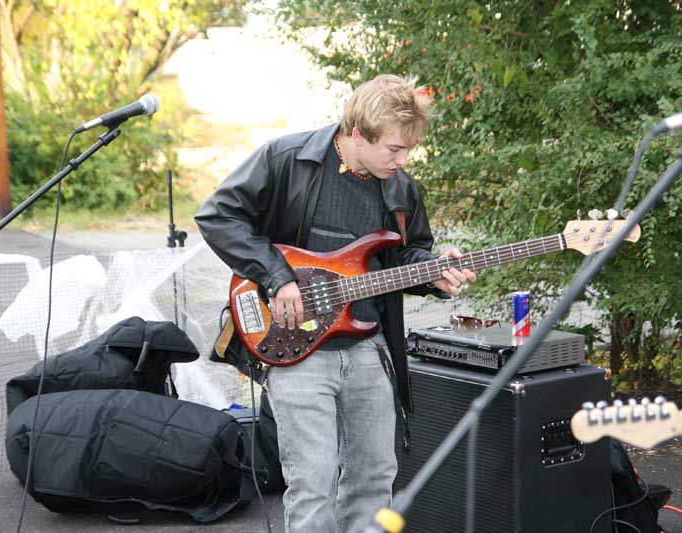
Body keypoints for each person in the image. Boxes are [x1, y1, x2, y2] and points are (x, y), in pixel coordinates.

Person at [195, 74, 476, 533]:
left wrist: (434, 270)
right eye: (394, 149)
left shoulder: (400, 188)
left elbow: (405, 255)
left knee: (375, 476)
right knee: (314, 481)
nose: (403, 161)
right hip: (297, 349)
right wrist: (277, 277)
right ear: (358, 134)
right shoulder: (288, 158)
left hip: (368, 347)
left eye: (408, 150)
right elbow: (218, 215)